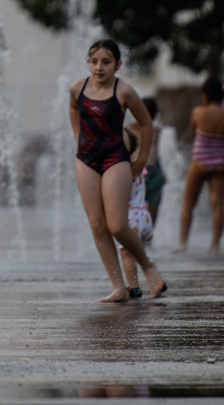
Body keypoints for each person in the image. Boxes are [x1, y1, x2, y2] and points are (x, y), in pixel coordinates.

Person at [69, 39, 165, 302]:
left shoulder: (124, 91)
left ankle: (148, 265)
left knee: (117, 225)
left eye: (106, 62)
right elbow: (73, 110)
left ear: (118, 65)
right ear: (88, 63)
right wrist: (78, 137)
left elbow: (145, 124)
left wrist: (141, 159)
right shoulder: (77, 88)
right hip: (85, 159)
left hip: (115, 159)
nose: (99, 67)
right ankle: (119, 287)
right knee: (97, 225)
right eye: (94, 61)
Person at [174, 77, 224, 254]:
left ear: (206, 96)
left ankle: (183, 243)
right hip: (220, 163)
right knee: (217, 203)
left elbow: (193, 132)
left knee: (188, 203)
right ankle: (215, 245)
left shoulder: (198, 112)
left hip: (200, 162)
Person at [116, 127, 154, 299]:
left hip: (131, 218)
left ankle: (133, 286)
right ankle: (153, 277)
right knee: (139, 254)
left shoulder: (124, 171)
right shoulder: (139, 167)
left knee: (126, 254)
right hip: (145, 216)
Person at [138, 96, 166, 225]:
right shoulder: (156, 131)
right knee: (151, 210)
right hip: (148, 172)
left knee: (137, 208)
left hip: (140, 173)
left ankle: (141, 239)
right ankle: (146, 239)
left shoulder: (129, 129)